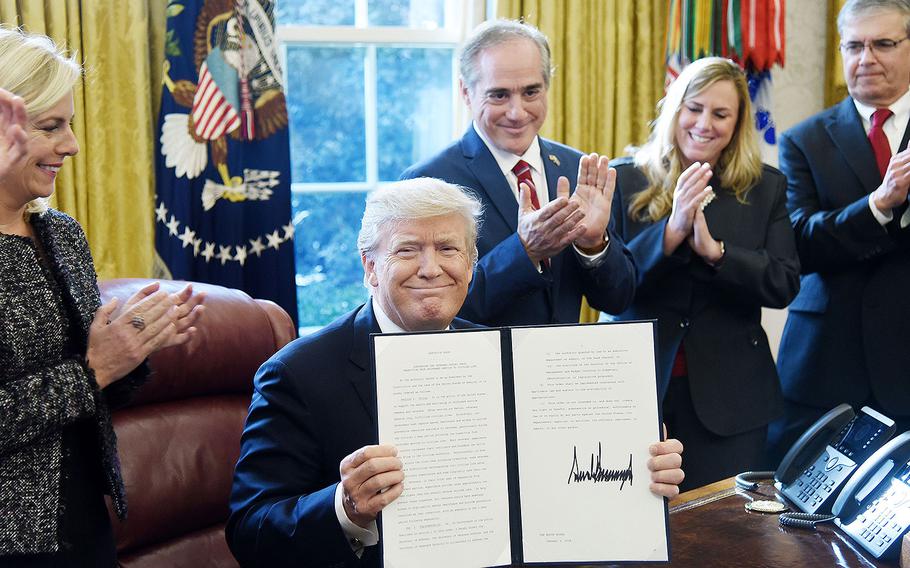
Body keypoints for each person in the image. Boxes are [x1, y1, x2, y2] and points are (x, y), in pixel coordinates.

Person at [226, 178, 685, 567]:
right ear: (370, 267)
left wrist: (635, 469)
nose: (431, 268)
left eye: (448, 248)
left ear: (470, 264)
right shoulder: (295, 374)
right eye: (408, 250)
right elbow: (249, 531)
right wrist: (345, 508)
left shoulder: (507, 356)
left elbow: (550, 488)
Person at [0, 28, 204, 564]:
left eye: (69, 125)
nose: (71, 145)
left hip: (85, 518)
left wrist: (132, 351)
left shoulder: (60, 233)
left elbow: (96, 391)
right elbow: (86, 374)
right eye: (51, 127)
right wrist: (94, 368)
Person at [609, 57, 800, 491]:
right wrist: (672, 231)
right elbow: (611, 288)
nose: (704, 123)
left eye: (720, 114)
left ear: (737, 124)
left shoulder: (765, 186)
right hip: (637, 386)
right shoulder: (625, 180)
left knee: (725, 532)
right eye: (694, 108)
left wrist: (718, 254)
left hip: (733, 397)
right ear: (675, 109)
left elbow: (784, 282)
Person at [401, 19, 636, 327]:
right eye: (499, 95)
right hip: (482, 371)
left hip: (565, 369)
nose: (517, 112)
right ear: (466, 92)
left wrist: (593, 244)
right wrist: (524, 252)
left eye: (530, 92)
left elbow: (618, 300)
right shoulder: (428, 182)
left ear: (547, 86)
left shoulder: (578, 170)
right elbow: (428, 310)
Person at [768, 0, 910, 465]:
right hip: (828, 367)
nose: (865, 58)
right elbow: (799, 241)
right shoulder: (804, 139)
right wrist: (878, 205)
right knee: (799, 527)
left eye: (883, 44)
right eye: (853, 45)